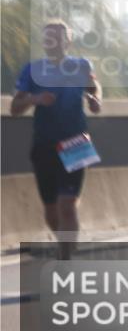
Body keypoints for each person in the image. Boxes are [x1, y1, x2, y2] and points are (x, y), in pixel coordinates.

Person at [11, 21, 102, 260]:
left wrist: (95, 100)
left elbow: (94, 88)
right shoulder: (32, 70)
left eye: (59, 38)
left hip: (76, 141)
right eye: (49, 38)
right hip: (45, 143)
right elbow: (14, 108)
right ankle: (67, 246)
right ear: (44, 42)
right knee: (51, 210)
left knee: (67, 205)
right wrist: (35, 99)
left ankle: (65, 257)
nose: (54, 43)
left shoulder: (81, 66)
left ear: (68, 41)